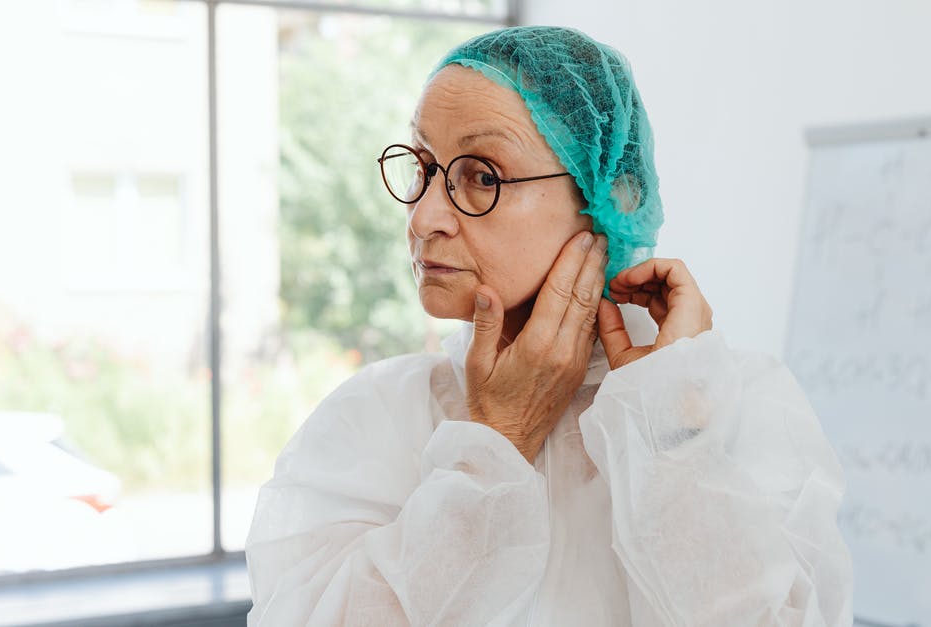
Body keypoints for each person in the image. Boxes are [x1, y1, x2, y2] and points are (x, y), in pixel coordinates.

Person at [245, 25, 852, 626]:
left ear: (610, 194)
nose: (425, 214)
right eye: (426, 166)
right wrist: (493, 445)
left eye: (482, 176)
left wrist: (669, 438)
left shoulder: (732, 405)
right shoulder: (378, 418)